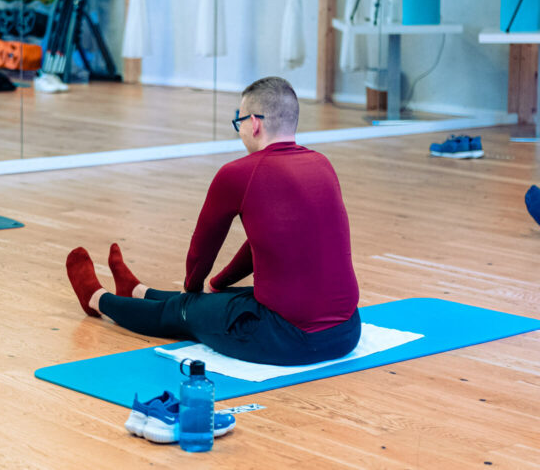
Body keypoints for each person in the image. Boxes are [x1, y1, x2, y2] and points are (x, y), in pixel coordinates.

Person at [65, 77, 362, 366]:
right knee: (225, 298)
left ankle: (96, 298)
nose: (240, 129)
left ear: (254, 123)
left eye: (239, 121)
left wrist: (192, 288)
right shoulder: (322, 165)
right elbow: (264, 242)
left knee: (185, 309)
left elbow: (202, 248)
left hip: (288, 339)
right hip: (347, 332)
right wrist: (218, 284)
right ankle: (139, 292)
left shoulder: (239, 173)